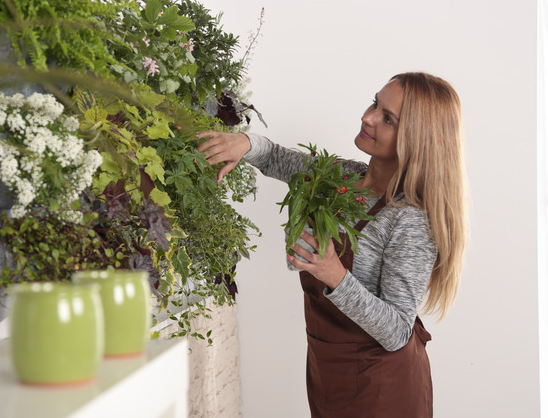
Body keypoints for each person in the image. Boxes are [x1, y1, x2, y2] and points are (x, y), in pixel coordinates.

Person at [196, 72, 468, 418]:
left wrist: (334, 274)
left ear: (417, 139)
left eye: (387, 118)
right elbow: (278, 159)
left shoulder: (410, 219)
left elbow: (399, 330)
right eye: (374, 103)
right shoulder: (341, 177)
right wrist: (244, 144)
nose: (367, 117)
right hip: (330, 370)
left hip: (383, 388)